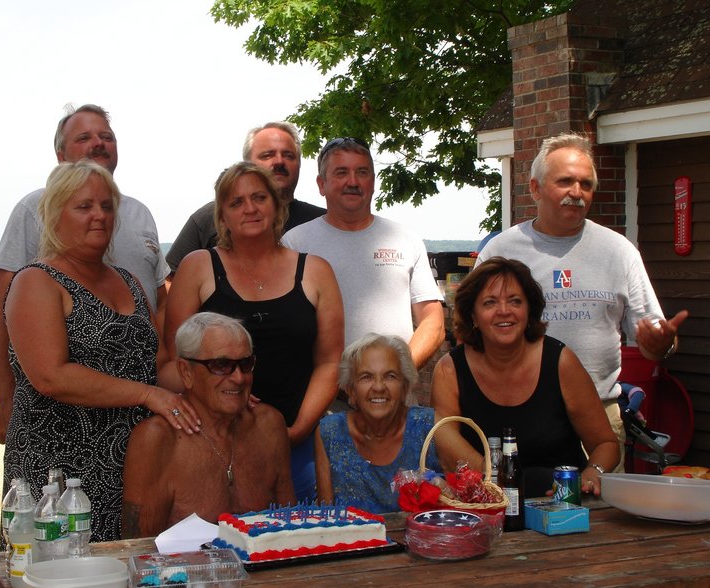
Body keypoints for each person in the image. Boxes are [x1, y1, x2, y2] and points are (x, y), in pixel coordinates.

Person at [1, 161, 185, 545]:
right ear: (55, 214)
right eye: (84, 206)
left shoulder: (131, 282)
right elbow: (51, 375)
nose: (99, 215)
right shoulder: (37, 281)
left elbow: (157, 365)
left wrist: (211, 382)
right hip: (60, 475)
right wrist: (148, 395)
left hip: (133, 464)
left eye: (107, 206)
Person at [477, 132, 688, 462]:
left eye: (586, 184)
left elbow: (652, 341)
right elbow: (472, 332)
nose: (576, 193)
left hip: (601, 422)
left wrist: (661, 344)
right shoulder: (501, 252)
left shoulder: (618, 251)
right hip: (518, 417)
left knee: (602, 513)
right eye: (564, 182)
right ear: (535, 188)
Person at [0, 103, 170, 444]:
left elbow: (160, 320)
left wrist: (209, 381)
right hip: (62, 448)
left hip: (139, 440)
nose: (98, 216)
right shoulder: (33, 220)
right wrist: (5, 398)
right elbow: (1, 310)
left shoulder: (138, 226)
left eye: (106, 136)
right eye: (84, 137)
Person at [163, 162, 344, 501]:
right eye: (236, 202)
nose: (249, 208)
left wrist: (296, 430)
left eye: (259, 197)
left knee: (295, 540)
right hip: (212, 443)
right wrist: (222, 387)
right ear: (223, 215)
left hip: (297, 441)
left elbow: (330, 362)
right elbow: (172, 365)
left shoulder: (315, 271)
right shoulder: (198, 267)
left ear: (277, 206)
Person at [431, 257, 620, 497]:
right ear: (473, 316)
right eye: (489, 302)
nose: (504, 311)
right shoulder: (450, 370)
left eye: (515, 301)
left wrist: (592, 473)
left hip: (562, 506)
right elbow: (448, 451)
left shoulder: (561, 362)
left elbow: (607, 444)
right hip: (488, 507)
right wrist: (502, 491)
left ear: (529, 309)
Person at [122, 312, 295, 537]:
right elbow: (139, 546)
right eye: (221, 365)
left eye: (245, 363)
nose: (239, 378)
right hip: (183, 571)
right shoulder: (157, 439)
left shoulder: (269, 425)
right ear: (186, 372)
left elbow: (291, 529)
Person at [282, 137, 444, 369]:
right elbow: (284, 328)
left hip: (395, 400)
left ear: (373, 182)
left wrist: (396, 375)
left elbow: (433, 321)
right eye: (341, 173)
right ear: (321, 184)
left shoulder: (405, 239)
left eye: (362, 172)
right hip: (324, 400)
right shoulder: (294, 243)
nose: (353, 181)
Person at [165, 121, 326, 272]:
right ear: (246, 163)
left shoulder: (322, 222)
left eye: (289, 156)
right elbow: (171, 281)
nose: (279, 161)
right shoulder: (208, 217)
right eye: (267, 155)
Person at [315, 334, 444, 514]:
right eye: (366, 377)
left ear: (405, 387)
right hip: (354, 542)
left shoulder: (429, 425)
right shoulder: (330, 431)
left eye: (390, 376)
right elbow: (326, 520)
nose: (378, 387)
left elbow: (481, 478)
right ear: (351, 391)